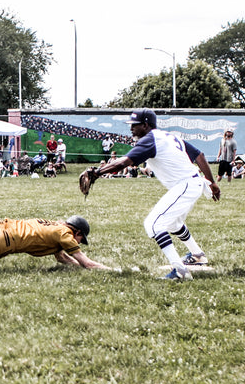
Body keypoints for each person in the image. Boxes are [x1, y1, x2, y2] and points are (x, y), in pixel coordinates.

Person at [84, 108, 220, 281]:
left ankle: (180, 271)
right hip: (191, 183)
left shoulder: (150, 139)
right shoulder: (169, 136)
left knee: (153, 224)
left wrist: (97, 172)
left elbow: (124, 162)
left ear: (146, 125)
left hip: (186, 184)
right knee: (173, 223)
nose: (131, 129)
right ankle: (198, 255)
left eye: (135, 125)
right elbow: (198, 155)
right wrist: (212, 182)